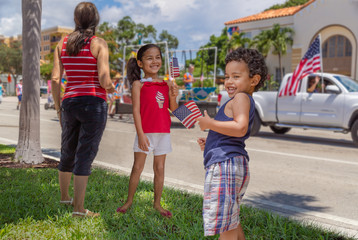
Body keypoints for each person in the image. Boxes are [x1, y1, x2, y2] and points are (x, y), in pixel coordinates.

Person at [51, 2, 115, 218]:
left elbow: (54, 79)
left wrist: (59, 108)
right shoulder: (98, 43)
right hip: (93, 102)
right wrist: (112, 85)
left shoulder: (63, 43)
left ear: (76, 20)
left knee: (67, 150)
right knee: (85, 153)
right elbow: (104, 79)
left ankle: (64, 197)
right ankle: (78, 209)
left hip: (69, 102)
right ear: (95, 21)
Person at [196, 48, 267, 239]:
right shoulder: (241, 99)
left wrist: (210, 123)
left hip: (225, 165)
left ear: (254, 80)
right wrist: (211, 142)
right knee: (231, 219)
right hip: (231, 162)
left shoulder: (241, 98)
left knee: (225, 225)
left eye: (236, 76)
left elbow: (241, 127)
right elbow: (230, 132)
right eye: (227, 76)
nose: (229, 81)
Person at [116, 44, 179, 218]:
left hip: (163, 132)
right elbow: (135, 110)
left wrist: (174, 95)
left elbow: (173, 110)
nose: (155, 61)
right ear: (141, 63)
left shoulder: (167, 84)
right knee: (137, 167)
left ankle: (157, 203)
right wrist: (141, 134)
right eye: (149, 58)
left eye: (157, 57)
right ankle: (129, 201)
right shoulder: (138, 84)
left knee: (160, 168)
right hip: (146, 133)